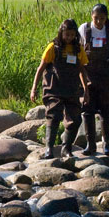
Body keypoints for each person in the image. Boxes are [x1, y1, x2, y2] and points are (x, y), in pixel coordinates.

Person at [30, 19, 90, 159]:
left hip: (72, 89)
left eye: (72, 35)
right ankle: (49, 149)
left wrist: (86, 90)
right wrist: (34, 88)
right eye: (66, 34)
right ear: (61, 33)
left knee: (75, 119)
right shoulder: (53, 48)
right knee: (54, 116)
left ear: (76, 35)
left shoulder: (78, 50)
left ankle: (66, 149)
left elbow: (82, 71)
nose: (69, 37)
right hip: (54, 89)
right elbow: (40, 69)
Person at [79, 4, 109, 156]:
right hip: (88, 74)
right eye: (96, 18)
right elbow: (78, 49)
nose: (99, 21)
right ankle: (90, 145)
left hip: (106, 76)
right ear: (91, 16)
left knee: (106, 108)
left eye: (102, 18)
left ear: (106, 18)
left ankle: (106, 144)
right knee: (87, 108)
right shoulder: (84, 29)